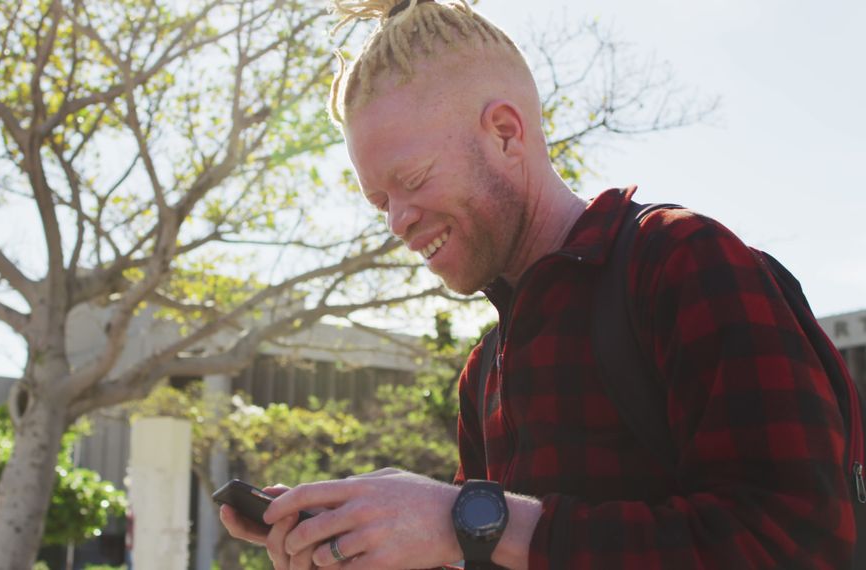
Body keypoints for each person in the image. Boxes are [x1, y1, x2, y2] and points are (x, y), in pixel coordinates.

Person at [219, 1, 856, 568]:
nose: (397, 222)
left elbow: (796, 538)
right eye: (378, 200)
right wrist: (368, 539)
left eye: (411, 180)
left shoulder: (681, 260)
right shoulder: (484, 372)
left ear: (505, 132)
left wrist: (463, 517)